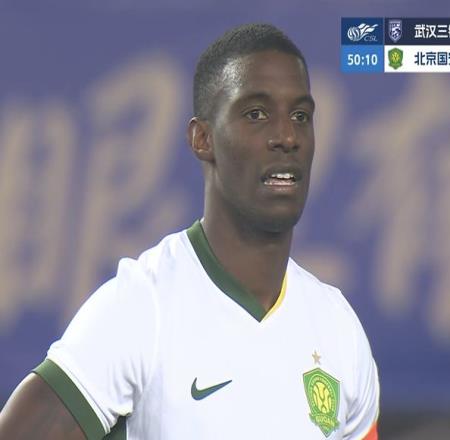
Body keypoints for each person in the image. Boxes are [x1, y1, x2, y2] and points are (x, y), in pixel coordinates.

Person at [0, 23, 379, 439]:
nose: (287, 136)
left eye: (301, 116)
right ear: (203, 139)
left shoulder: (338, 328)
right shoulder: (143, 307)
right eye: (256, 114)